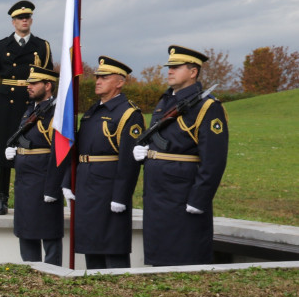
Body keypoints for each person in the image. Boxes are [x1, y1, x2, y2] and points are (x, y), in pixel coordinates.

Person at [133, 45, 228, 266]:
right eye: (169, 67)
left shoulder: (207, 107)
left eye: (176, 67)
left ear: (193, 71)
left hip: (183, 192)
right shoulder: (165, 102)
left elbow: (214, 160)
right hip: (157, 191)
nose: (169, 71)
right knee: (158, 253)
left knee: (184, 253)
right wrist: (145, 151)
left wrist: (199, 199)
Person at [0, 0, 53, 215]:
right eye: (19, 18)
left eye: (27, 17)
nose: (24, 20)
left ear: (31, 20)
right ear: (13, 22)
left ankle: (32, 197)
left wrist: (50, 102)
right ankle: (2, 199)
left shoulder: (42, 46)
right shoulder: (0, 46)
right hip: (6, 102)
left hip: (31, 102)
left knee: (33, 149)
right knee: (3, 152)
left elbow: (49, 77)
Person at [62, 56, 145, 269]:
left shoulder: (128, 114)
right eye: (98, 77)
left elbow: (129, 161)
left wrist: (121, 196)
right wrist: (68, 181)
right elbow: (77, 150)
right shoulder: (91, 112)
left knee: (112, 247)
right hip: (87, 186)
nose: (98, 80)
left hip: (109, 189)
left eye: (105, 77)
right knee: (91, 247)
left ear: (120, 82)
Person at [5, 65, 67, 265]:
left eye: (34, 83)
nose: (29, 86)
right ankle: (30, 273)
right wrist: (14, 153)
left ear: (48, 85)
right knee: (26, 233)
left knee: (49, 234)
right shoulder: (31, 110)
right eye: (29, 83)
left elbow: (60, 153)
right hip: (25, 183)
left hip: (43, 181)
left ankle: (52, 275)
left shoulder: (55, 113)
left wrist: (52, 188)